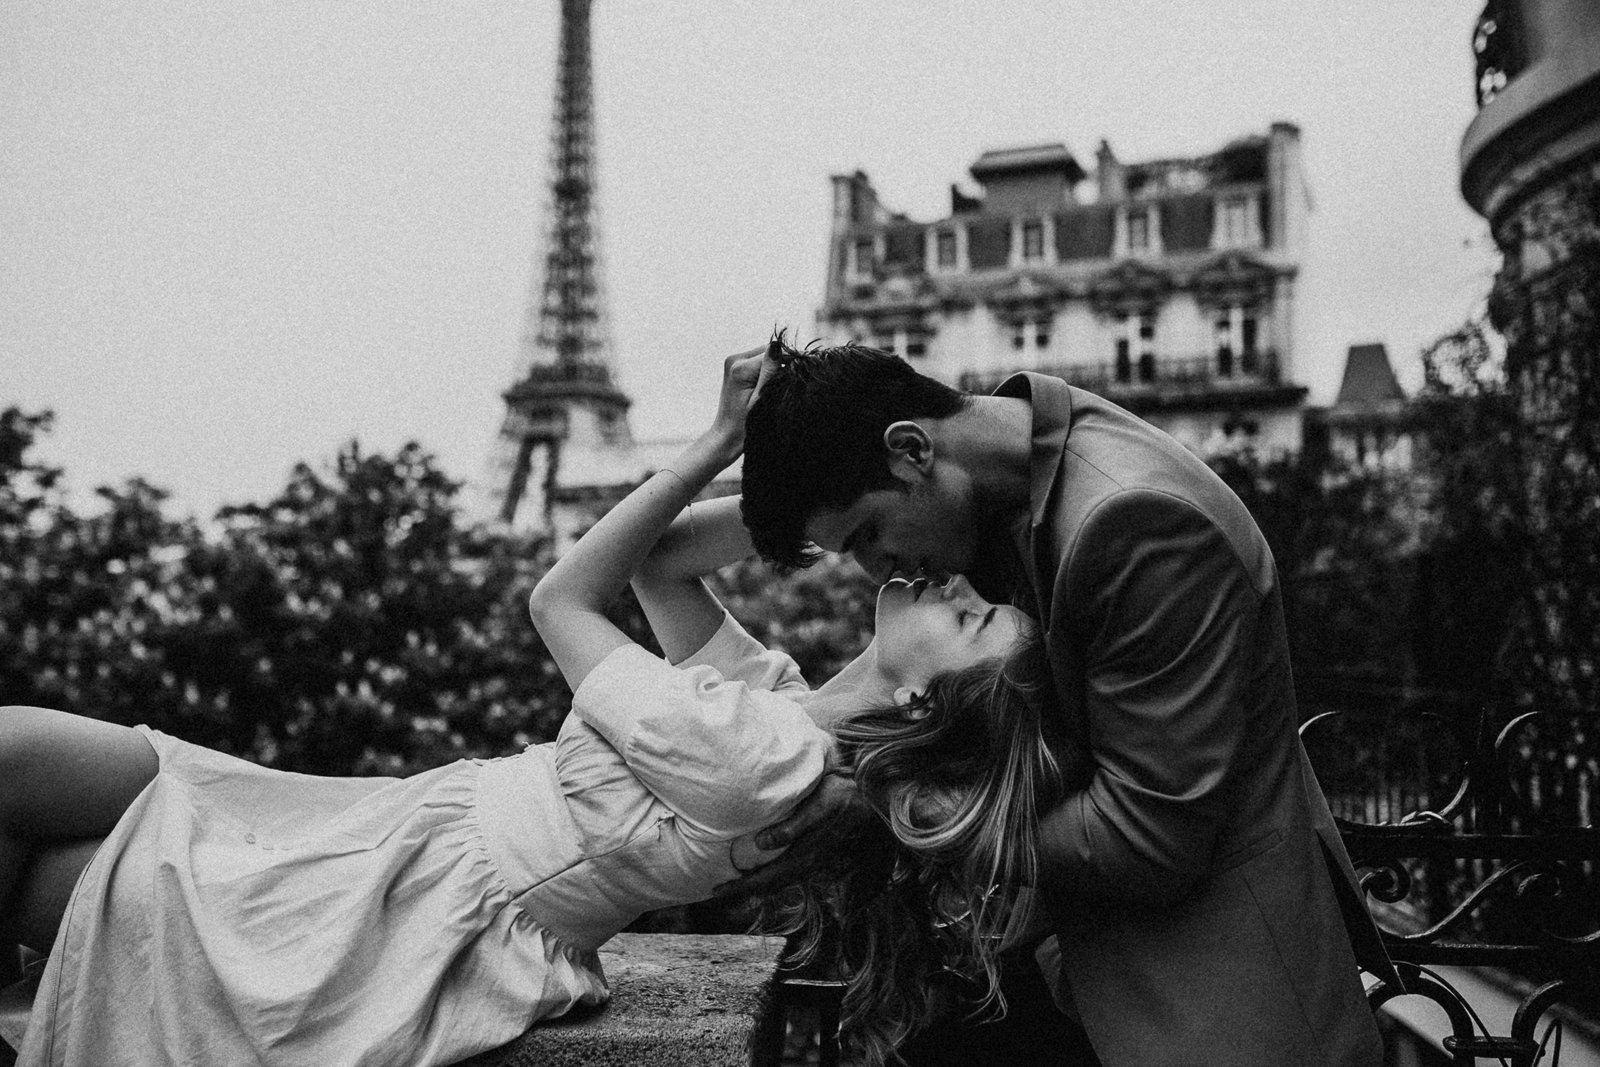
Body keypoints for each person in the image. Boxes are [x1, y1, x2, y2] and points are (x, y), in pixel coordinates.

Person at [1, 349, 1056, 1067]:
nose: (957, 586)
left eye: (972, 619)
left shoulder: (761, 757)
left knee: (35, 847)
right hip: (401, 835)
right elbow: (661, 564)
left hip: (403, 904)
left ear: (919, 697)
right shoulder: (778, 708)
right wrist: (819, 493)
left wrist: (714, 442)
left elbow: (561, 597)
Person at [736, 338, 1400, 1067]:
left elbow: (1149, 838)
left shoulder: (1135, 521)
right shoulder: (1002, 477)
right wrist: (745, 438)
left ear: (911, 450)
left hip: (1224, 1014)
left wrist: (898, 800)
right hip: (1096, 993)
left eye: (867, 534)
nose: (877, 571)